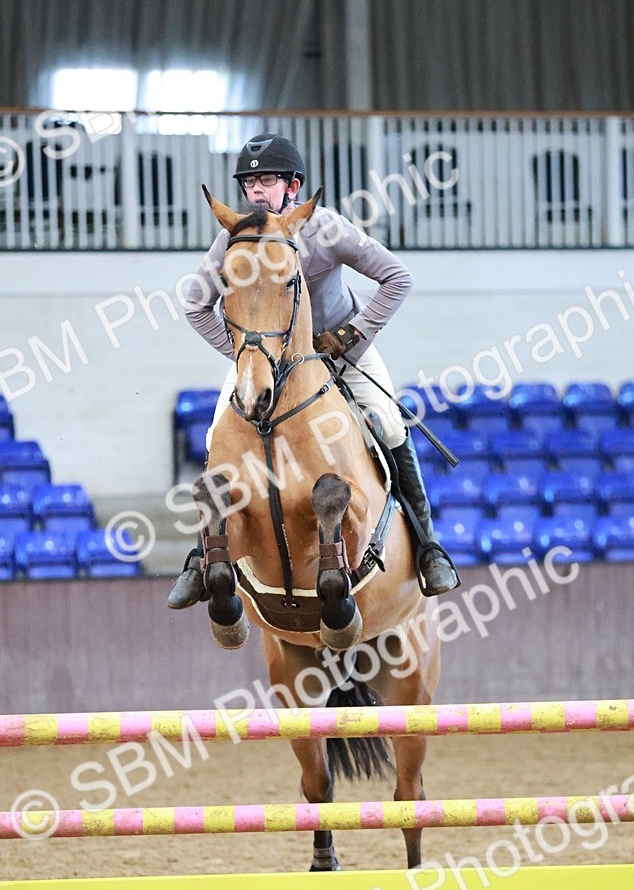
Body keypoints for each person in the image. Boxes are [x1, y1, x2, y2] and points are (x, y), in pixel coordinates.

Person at [167, 134, 459, 608]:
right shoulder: (232, 242)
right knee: (213, 439)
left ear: (293, 186)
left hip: (343, 348)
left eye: (267, 181)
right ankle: (201, 559)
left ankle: (428, 548)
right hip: (269, 361)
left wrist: (353, 334)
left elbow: (397, 277)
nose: (257, 192)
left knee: (386, 421)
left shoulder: (326, 228)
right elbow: (197, 305)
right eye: (250, 183)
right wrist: (246, 355)